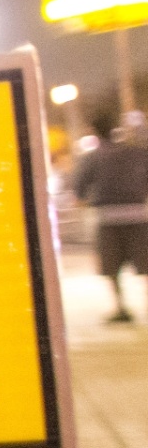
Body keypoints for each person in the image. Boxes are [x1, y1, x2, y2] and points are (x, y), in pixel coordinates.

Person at [71, 94, 148, 323]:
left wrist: (82, 199)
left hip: (108, 217)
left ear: (94, 131)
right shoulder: (137, 153)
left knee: (112, 266)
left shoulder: (93, 158)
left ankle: (121, 307)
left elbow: (80, 187)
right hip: (137, 214)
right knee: (144, 262)